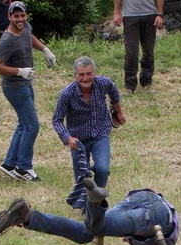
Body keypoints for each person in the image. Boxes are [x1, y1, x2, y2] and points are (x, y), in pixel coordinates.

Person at [0, 175, 179, 245]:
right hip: (156, 219)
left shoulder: (140, 238)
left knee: (86, 232)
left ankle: (28, 216)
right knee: (93, 229)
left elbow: (101, 230)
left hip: (145, 197)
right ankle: (94, 202)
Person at [0, 1, 56, 182]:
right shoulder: (7, 40)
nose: (20, 19)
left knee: (23, 124)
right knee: (32, 125)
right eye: (16, 16)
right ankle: (24, 167)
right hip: (14, 87)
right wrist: (19, 71)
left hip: (26, 83)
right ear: (9, 17)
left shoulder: (25, 26)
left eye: (22, 15)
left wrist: (45, 50)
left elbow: (30, 36)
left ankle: (10, 164)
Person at [52, 56, 126, 191]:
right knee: (82, 178)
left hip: (101, 133)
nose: (85, 78)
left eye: (89, 73)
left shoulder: (103, 83)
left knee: (102, 169)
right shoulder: (67, 94)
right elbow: (57, 120)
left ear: (94, 73)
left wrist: (119, 111)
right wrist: (68, 138)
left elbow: (114, 92)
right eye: (81, 74)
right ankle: (84, 202)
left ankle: (96, 199)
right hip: (78, 140)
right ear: (75, 75)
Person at [113, 0, 164, 93]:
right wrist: (116, 12)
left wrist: (159, 14)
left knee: (148, 50)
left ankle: (147, 82)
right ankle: (130, 85)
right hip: (130, 16)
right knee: (131, 52)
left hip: (150, 15)